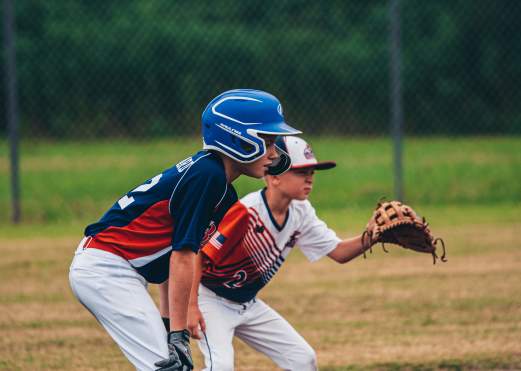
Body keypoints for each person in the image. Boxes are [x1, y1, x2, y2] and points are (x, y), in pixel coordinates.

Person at [68, 89, 302, 371]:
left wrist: (169, 324)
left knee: (169, 365)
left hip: (115, 269)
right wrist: (178, 335)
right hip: (106, 269)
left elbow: (172, 258)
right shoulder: (208, 177)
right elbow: (182, 256)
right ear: (237, 138)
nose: (274, 153)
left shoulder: (221, 187)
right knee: (168, 367)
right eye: (266, 141)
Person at [188, 136, 373, 371]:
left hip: (247, 302)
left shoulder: (301, 211)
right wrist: (191, 305)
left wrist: (374, 235)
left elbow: (339, 252)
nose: (309, 178)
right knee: (220, 367)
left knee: (302, 359)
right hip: (211, 301)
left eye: (312, 172)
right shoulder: (247, 212)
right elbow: (199, 256)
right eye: (301, 172)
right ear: (274, 177)